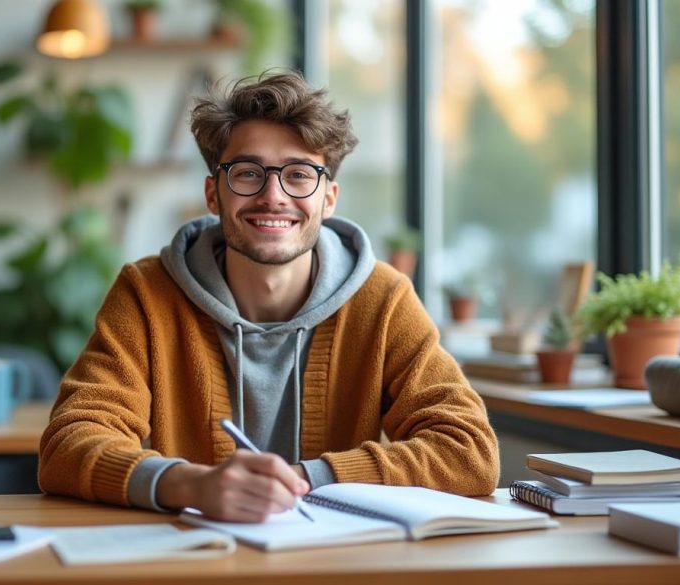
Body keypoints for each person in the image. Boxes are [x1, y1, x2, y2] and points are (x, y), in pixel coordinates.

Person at [38, 72, 499, 522]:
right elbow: (68, 443)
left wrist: (305, 480)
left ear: (329, 198)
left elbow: (469, 451)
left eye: (299, 175)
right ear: (213, 194)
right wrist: (193, 486)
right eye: (247, 173)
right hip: (193, 555)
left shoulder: (383, 299)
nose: (273, 195)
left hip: (335, 558)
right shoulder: (146, 294)